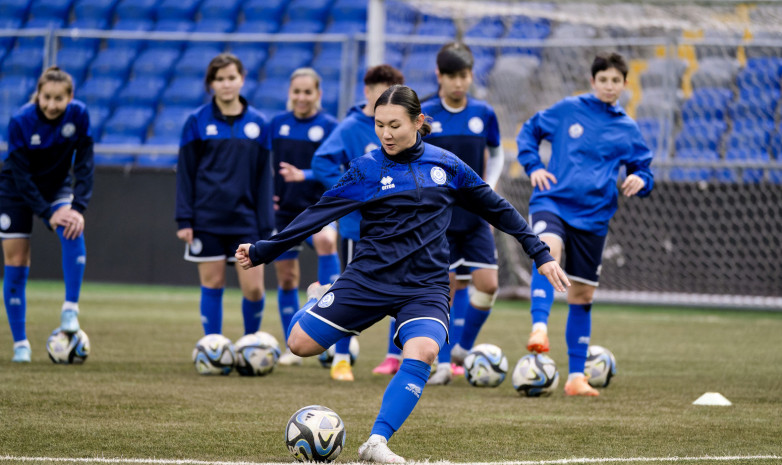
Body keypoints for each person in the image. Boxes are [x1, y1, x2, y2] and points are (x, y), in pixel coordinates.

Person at [236, 84, 570, 463]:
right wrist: (264, 250)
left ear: (418, 121)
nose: (386, 134)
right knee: (299, 345)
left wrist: (539, 252)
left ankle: (376, 443)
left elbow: (498, 208)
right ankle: (317, 299)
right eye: (379, 125)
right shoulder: (364, 170)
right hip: (368, 280)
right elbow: (317, 214)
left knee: (425, 350)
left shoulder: (449, 165)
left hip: (424, 287)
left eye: (395, 124)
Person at [516, 52, 654, 396]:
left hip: (594, 216)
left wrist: (641, 179)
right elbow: (529, 131)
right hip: (553, 201)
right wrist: (533, 165)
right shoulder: (568, 109)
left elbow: (644, 167)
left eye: (616, 80)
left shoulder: (626, 127)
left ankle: (576, 377)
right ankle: (538, 328)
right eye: (603, 79)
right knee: (549, 250)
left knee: (583, 293)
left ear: (624, 84)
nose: (609, 86)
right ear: (593, 82)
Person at [309, 64, 404, 381]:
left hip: (399, 226)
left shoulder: (402, 127)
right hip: (357, 228)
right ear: (367, 91)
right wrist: (351, 190)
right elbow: (321, 161)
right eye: (381, 89)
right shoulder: (352, 126)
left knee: (403, 289)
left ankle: (400, 357)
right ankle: (341, 358)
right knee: (354, 292)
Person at [420, 42, 505, 385]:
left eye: (465, 76)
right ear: (439, 76)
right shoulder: (425, 114)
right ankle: (441, 365)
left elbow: (496, 154)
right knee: (446, 291)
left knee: (488, 286)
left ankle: (463, 349)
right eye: (452, 76)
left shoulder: (484, 113)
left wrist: (489, 187)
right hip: (438, 218)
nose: (459, 83)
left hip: (475, 215)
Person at [175, 53, 272, 339]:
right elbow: (185, 173)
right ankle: (213, 346)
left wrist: (266, 227)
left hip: (247, 220)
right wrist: (184, 218)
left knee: (254, 288)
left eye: (231, 77)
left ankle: (250, 344)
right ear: (211, 84)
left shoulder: (259, 124)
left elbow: (264, 178)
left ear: (242, 80)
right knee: (213, 283)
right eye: (220, 79)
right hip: (207, 219)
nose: (226, 84)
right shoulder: (196, 122)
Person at [0, 66, 94, 363]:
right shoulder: (20, 122)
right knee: (17, 261)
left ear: (70, 97)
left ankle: (70, 309)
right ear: (37, 96)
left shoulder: (79, 115)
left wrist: (77, 207)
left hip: (56, 186)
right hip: (16, 190)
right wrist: (44, 213)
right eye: (46, 98)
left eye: (58, 98)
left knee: (72, 226)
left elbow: (85, 163)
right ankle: (21, 345)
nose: (52, 105)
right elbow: (21, 175)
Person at [266, 68, 340, 366]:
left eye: (308, 92)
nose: (301, 97)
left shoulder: (330, 126)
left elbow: (339, 169)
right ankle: (291, 345)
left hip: (317, 209)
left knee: (326, 239)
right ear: (290, 94)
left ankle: (333, 335)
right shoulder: (276, 125)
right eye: (296, 91)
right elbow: (263, 165)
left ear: (318, 95)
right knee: (286, 279)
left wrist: (305, 175)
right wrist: (265, 194)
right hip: (283, 213)